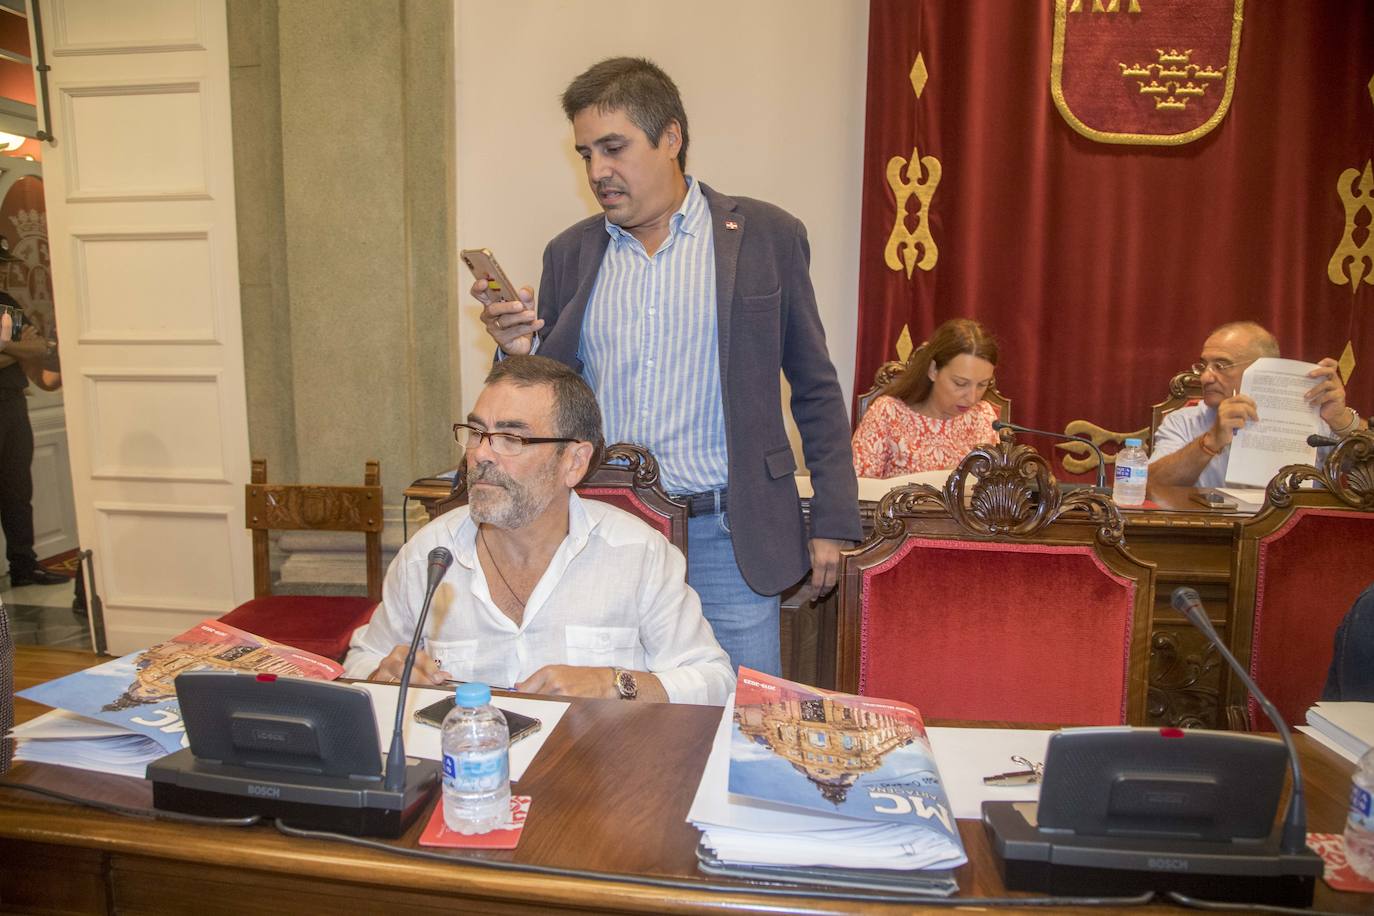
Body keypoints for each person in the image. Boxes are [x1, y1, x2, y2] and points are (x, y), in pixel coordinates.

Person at [471, 57, 860, 676]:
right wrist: (515, 354)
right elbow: (553, 397)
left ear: (671, 137)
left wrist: (834, 518)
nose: (597, 172)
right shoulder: (570, 252)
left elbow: (814, 386)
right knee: (607, 711)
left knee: (732, 716)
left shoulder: (767, 236)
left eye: (614, 148)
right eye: (586, 154)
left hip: (727, 537)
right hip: (603, 528)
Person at [344, 355, 734, 705]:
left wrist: (615, 683)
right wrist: (383, 676)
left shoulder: (638, 553)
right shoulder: (428, 556)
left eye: (511, 438)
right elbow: (361, 662)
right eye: (476, 432)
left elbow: (714, 682)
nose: (480, 454)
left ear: (574, 462)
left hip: (599, 760)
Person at [1148, 321, 1366, 490]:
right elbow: (1151, 485)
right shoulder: (1184, 421)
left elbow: (1367, 475)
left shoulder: (1313, 418)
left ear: (1264, 369)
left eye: (1221, 366)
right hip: (1213, 531)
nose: (1205, 377)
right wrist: (1210, 441)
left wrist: (1342, 421)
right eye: (1204, 365)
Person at [851, 319, 999, 478]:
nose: (972, 398)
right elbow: (856, 485)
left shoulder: (983, 417)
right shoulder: (887, 413)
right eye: (960, 383)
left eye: (982, 384)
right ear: (933, 370)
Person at [0, 294, 65, 587]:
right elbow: (26, 350)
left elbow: (37, 348)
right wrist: (17, 348)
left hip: (12, 404)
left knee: (18, 489)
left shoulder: (3, 302)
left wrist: (4, 346)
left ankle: (24, 566)